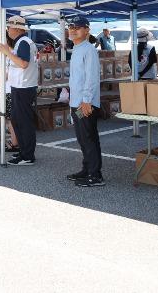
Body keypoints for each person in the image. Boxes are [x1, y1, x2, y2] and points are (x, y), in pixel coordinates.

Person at [65, 16, 105, 187]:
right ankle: (87, 168)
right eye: (71, 27)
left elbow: (92, 77)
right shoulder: (77, 48)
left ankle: (95, 175)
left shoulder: (89, 50)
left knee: (88, 137)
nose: (73, 30)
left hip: (85, 103)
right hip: (77, 102)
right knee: (83, 137)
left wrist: (87, 100)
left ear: (87, 30)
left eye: (78, 27)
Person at [0, 15, 39, 166]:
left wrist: (7, 52)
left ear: (16, 28)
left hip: (23, 86)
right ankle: (24, 152)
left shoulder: (23, 42)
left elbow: (23, 64)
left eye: (9, 27)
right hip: (21, 86)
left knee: (23, 122)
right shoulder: (23, 42)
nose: (8, 30)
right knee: (18, 120)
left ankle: (27, 155)